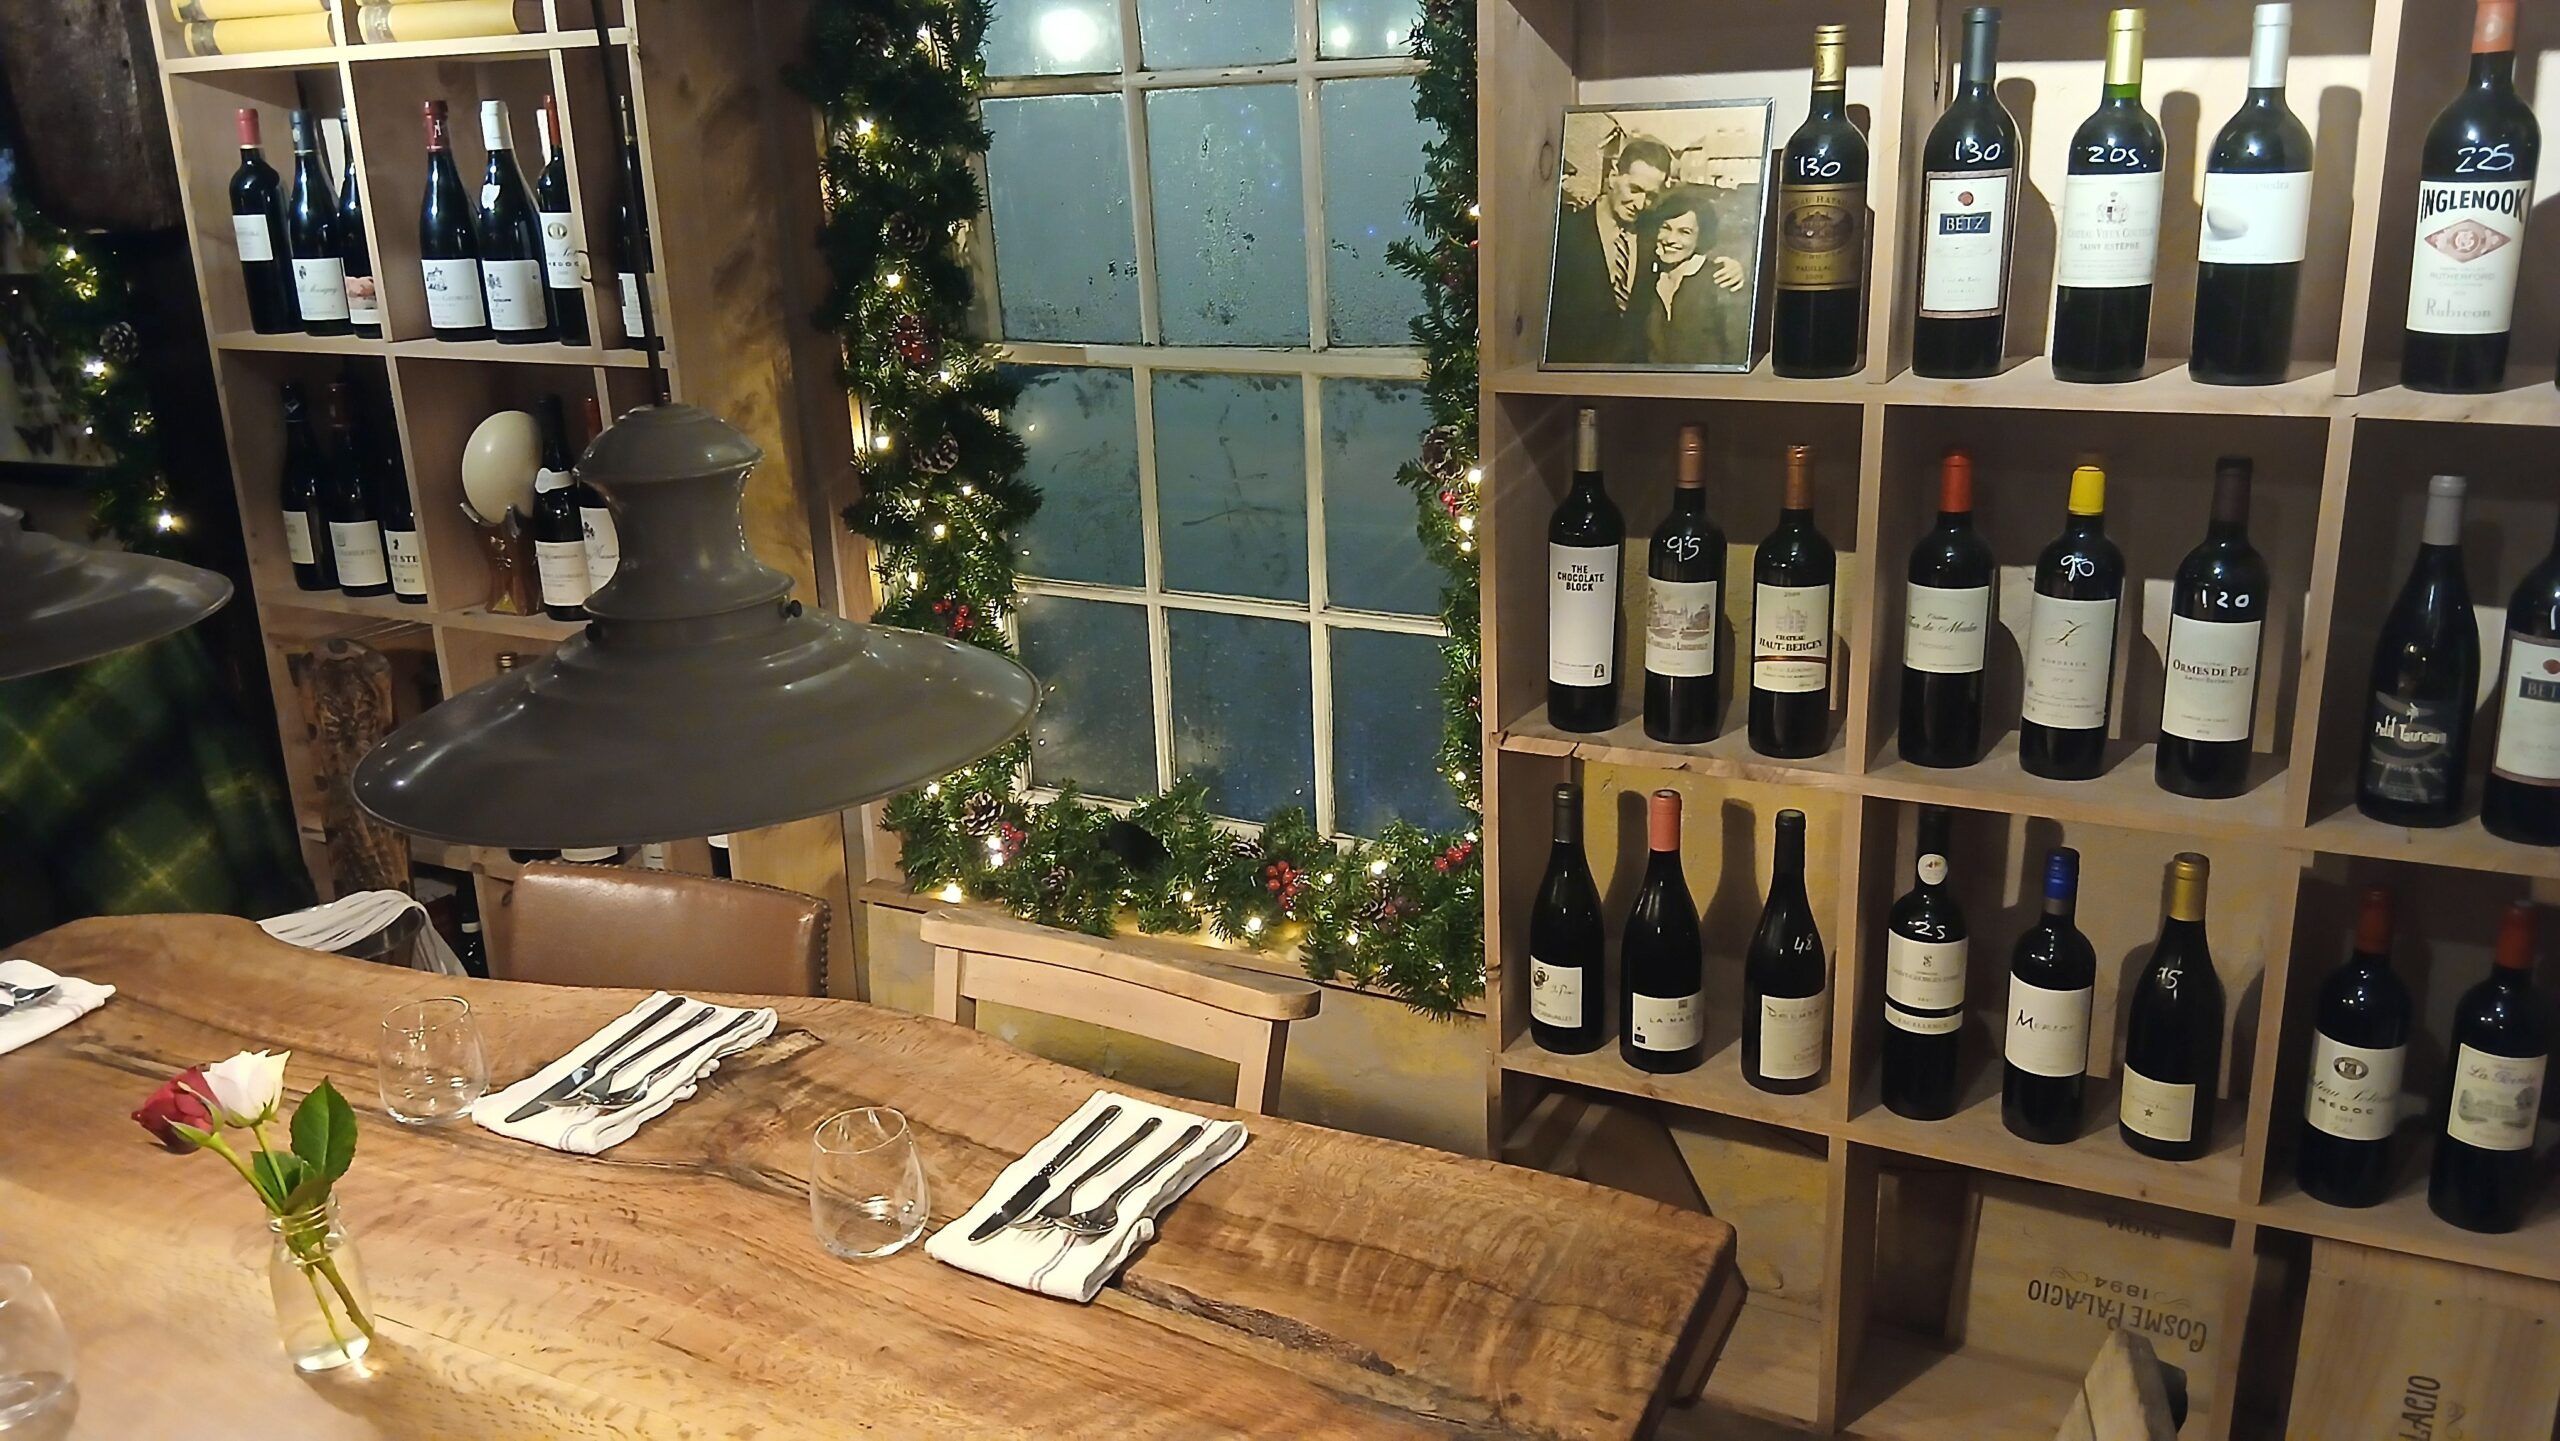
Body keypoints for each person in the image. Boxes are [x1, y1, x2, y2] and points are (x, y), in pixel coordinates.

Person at [1546, 136, 1674, 364]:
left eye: (1650, 196)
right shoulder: (1563, 233)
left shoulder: (1653, 234)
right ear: (1613, 175)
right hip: (1573, 370)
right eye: (1635, 189)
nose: (1640, 204)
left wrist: (1732, 267)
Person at [1639, 184, 1743, 368]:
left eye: (1684, 232)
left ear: (1701, 236)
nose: (1671, 239)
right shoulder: (1648, 278)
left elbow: (1736, 353)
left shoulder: (1719, 279)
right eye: (1665, 228)